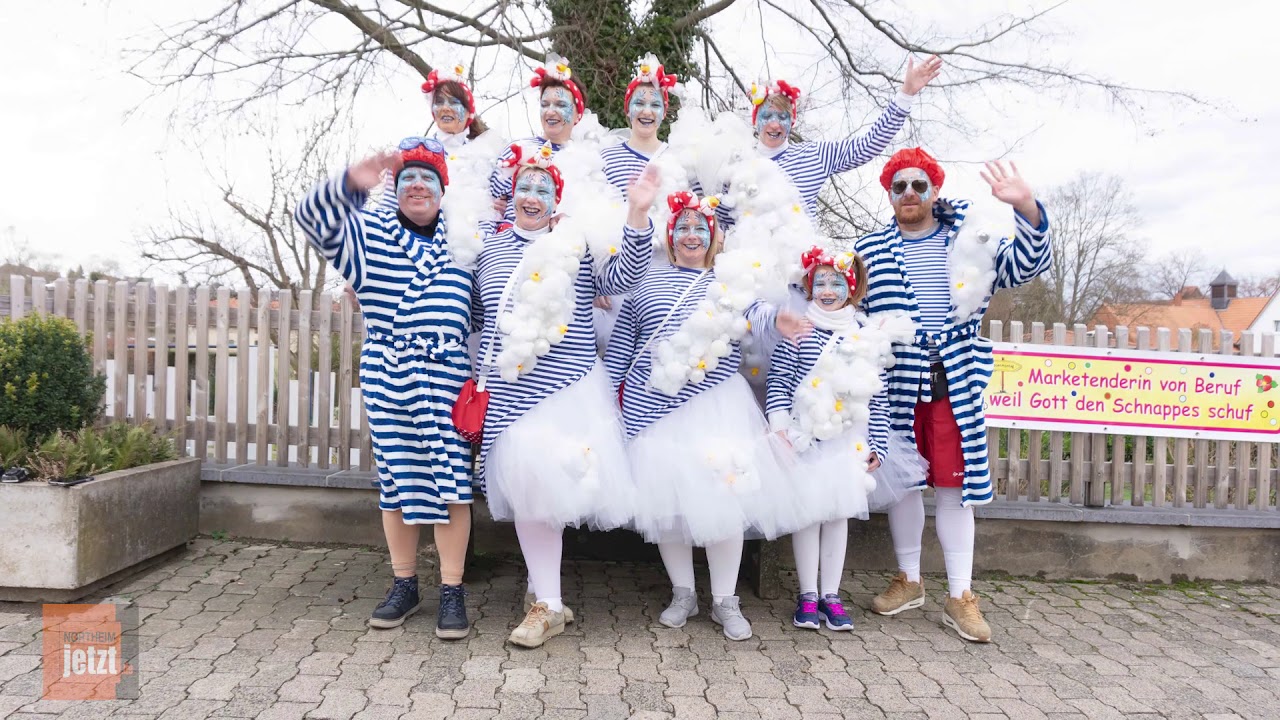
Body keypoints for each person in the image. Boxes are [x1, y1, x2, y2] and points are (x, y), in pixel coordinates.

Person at [855, 148, 1051, 643]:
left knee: (954, 487)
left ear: (935, 190)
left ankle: (960, 595)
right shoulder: (869, 249)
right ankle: (910, 580)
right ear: (889, 194)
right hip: (896, 380)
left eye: (920, 185)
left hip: (954, 377)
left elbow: (1025, 267)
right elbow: (849, 306)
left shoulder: (970, 241)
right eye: (899, 187)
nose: (910, 195)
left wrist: (1026, 207)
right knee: (900, 482)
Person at [471, 144, 661, 649]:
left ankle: (547, 599)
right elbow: (472, 314)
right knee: (533, 493)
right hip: (512, 395)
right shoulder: (487, 251)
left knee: (545, 492)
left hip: (567, 388)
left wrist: (637, 216)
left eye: (543, 189)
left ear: (556, 201)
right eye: (525, 187)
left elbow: (625, 277)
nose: (532, 196)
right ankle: (548, 595)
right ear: (512, 196)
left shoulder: (576, 246)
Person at [603, 190, 811, 641]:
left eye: (701, 227)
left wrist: (779, 319)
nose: (692, 234)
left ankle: (724, 599)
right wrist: (609, 403)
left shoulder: (728, 282)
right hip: (655, 410)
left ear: (713, 237)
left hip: (717, 405)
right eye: (683, 227)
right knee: (669, 505)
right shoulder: (645, 284)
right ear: (670, 236)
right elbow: (621, 347)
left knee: (726, 499)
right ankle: (683, 593)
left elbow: (754, 312)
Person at [295, 137, 475, 639]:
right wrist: (351, 182)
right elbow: (312, 220)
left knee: (453, 488)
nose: (418, 186)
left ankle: (453, 589)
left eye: (429, 180)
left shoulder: (465, 242)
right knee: (396, 486)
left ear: (443, 191)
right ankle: (405, 584)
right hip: (390, 375)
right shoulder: (369, 236)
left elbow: (488, 311)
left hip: (447, 377)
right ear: (394, 189)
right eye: (408, 179)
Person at [765, 247, 920, 631]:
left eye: (837, 282)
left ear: (851, 287)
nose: (828, 289)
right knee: (807, 516)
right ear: (809, 285)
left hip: (848, 440)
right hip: (805, 437)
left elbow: (877, 397)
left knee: (836, 515)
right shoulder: (800, 329)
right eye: (820, 282)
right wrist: (780, 427)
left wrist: (878, 446)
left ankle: (831, 595)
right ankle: (807, 595)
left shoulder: (865, 336)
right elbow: (779, 381)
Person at [743, 55, 941, 219]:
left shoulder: (813, 155)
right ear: (755, 120)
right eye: (767, 116)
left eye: (783, 117)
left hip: (797, 262)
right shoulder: (738, 162)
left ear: (792, 120)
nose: (775, 124)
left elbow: (868, 145)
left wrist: (905, 95)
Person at [595, 53, 680, 349]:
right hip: (618, 274)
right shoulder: (605, 157)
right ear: (627, 109)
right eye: (640, 103)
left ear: (664, 112)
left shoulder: (679, 159)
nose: (647, 110)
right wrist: (592, 278)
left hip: (666, 278)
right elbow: (587, 216)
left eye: (655, 104)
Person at [488, 55, 589, 222]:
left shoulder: (587, 159)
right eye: (545, 104)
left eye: (560, 105)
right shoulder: (517, 149)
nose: (550, 111)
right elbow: (492, 207)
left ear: (577, 112)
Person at [377, 63, 491, 210]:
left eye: (454, 102)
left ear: (469, 112)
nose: (445, 107)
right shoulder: (412, 151)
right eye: (439, 102)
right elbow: (388, 208)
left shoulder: (485, 158)